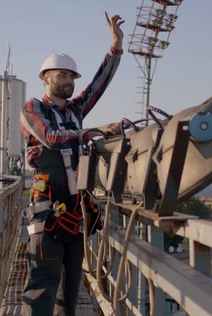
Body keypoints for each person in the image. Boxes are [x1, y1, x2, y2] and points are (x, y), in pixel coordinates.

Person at [19, 11, 125, 316]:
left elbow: (98, 85)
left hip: (76, 210)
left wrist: (115, 46)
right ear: (46, 78)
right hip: (47, 210)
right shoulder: (32, 108)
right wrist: (91, 132)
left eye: (71, 77)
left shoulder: (76, 109)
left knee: (70, 289)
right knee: (43, 285)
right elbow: (50, 138)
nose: (68, 81)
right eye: (62, 75)